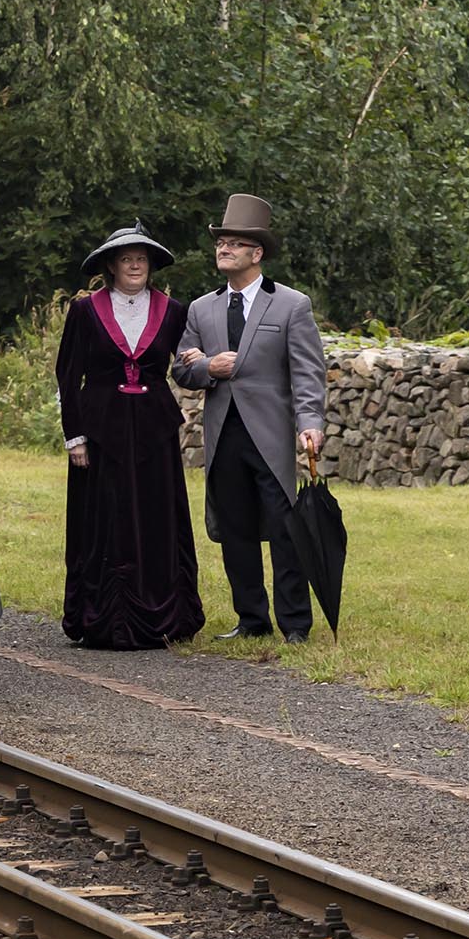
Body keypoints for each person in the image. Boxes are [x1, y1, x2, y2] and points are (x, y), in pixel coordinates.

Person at [170, 193, 329, 642]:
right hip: (223, 435)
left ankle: (295, 624)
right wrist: (207, 368)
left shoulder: (292, 305)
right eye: (221, 243)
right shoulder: (201, 308)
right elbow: (182, 369)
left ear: (256, 253)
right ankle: (252, 621)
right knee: (236, 531)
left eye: (234, 244)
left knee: (285, 531)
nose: (223, 249)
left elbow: (307, 371)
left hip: (273, 435)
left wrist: (310, 422)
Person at [56, 223, 204, 648]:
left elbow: (187, 365)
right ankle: (102, 616)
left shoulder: (174, 310)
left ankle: (166, 615)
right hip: (100, 429)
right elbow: (67, 375)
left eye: (142, 258)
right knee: (105, 519)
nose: (135, 264)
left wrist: (201, 359)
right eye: (126, 258)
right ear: (110, 265)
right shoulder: (85, 311)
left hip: (154, 429)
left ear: (151, 265)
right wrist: (75, 436)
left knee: (157, 517)